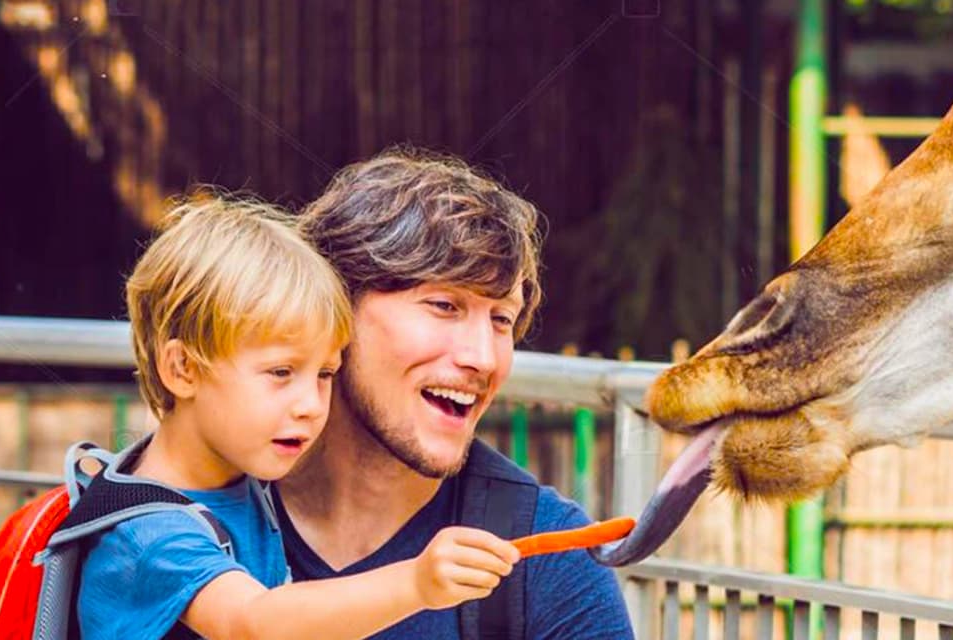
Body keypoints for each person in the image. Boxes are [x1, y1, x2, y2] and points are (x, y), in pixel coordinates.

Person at [77, 196, 523, 640]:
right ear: (183, 370)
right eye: (281, 373)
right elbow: (251, 622)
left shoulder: (236, 484)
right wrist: (415, 584)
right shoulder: (149, 535)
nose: (311, 404)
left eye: (325, 374)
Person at [275, 148, 633, 638]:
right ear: (332, 310)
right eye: (444, 305)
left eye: (501, 320)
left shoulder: (547, 563)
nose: (483, 358)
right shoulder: (187, 522)